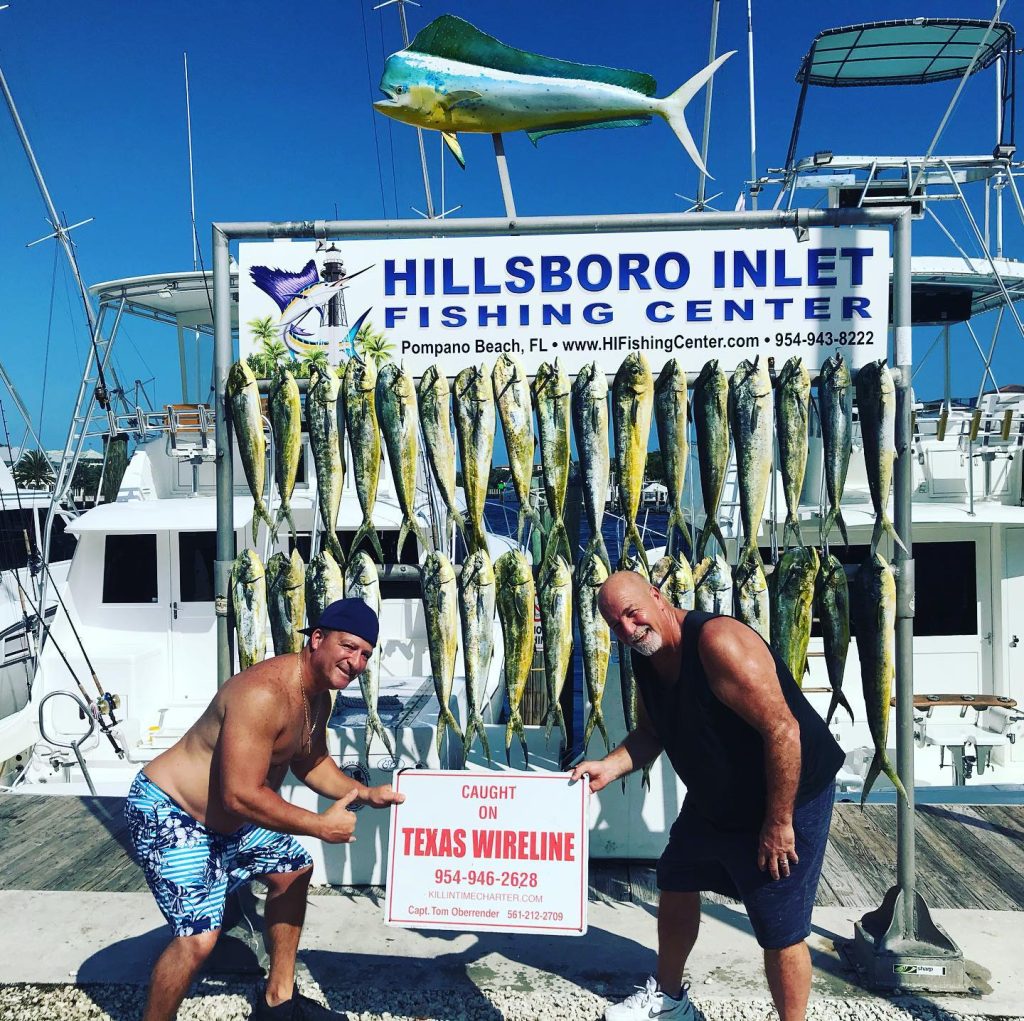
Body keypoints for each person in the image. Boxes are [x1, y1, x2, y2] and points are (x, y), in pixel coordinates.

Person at [571, 571, 844, 1021]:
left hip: (786, 793)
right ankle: (670, 999)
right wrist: (609, 765)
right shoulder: (646, 655)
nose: (626, 629)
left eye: (632, 612)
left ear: (657, 598)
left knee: (780, 925)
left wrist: (778, 824)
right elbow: (651, 734)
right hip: (715, 796)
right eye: (614, 623)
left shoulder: (719, 643)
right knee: (677, 877)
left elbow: (783, 730)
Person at [125, 598, 404, 1021]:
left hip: (230, 820)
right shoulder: (263, 694)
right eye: (349, 647)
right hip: (172, 812)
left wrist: (364, 794)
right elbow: (240, 793)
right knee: (198, 939)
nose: (357, 662)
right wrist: (319, 826)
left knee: (294, 869)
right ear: (317, 638)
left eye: (366, 654)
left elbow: (311, 762)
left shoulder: (318, 699)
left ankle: (278, 1000)